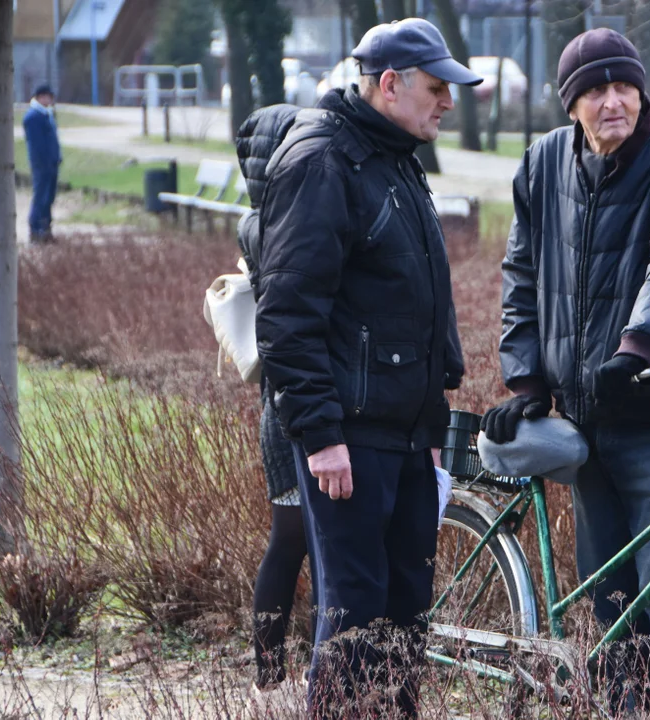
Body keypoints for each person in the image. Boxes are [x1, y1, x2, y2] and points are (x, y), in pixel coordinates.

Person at [481, 28, 650, 710]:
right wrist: (526, 380)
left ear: (643, 91)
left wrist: (638, 348)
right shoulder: (542, 164)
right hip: (585, 425)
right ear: (571, 105)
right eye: (595, 91)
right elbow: (521, 277)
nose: (613, 102)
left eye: (624, 87)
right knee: (609, 601)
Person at [254, 18, 480, 718]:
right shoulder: (323, 160)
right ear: (390, 85)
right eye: (437, 88)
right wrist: (320, 437)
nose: (448, 102)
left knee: (405, 619)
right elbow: (288, 316)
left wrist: (436, 422)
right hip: (349, 440)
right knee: (354, 627)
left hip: (408, 438)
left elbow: (413, 301)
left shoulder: (396, 157)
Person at [233, 104, 311, 703]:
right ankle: (271, 674)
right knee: (294, 539)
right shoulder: (282, 224)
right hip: (293, 410)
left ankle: (271, 672)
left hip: (279, 406)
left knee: (290, 539)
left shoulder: (256, 222)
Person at [22, 84, 62, 243]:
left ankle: (46, 228)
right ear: (38, 97)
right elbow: (37, 144)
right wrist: (43, 161)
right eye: (45, 97)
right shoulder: (33, 116)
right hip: (41, 164)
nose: (48, 100)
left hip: (52, 162)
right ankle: (35, 228)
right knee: (41, 196)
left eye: (49, 97)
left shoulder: (48, 114)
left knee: (49, 196)